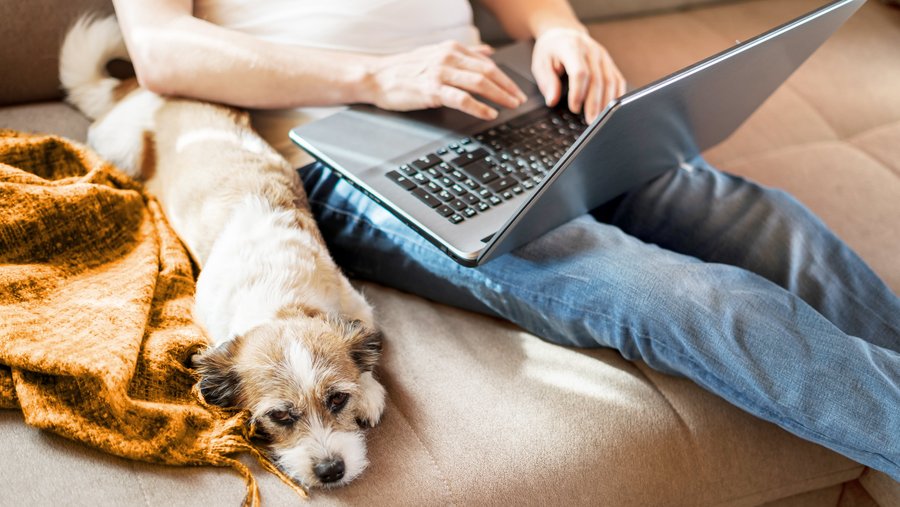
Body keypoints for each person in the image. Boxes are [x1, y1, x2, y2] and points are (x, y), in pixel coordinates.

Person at [113, 0, 900, 480]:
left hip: (505, 101)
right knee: (676, 293)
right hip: (344, 146)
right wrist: (375, 77)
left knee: (767, 222)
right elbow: (161, 48)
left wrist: (560, 31)